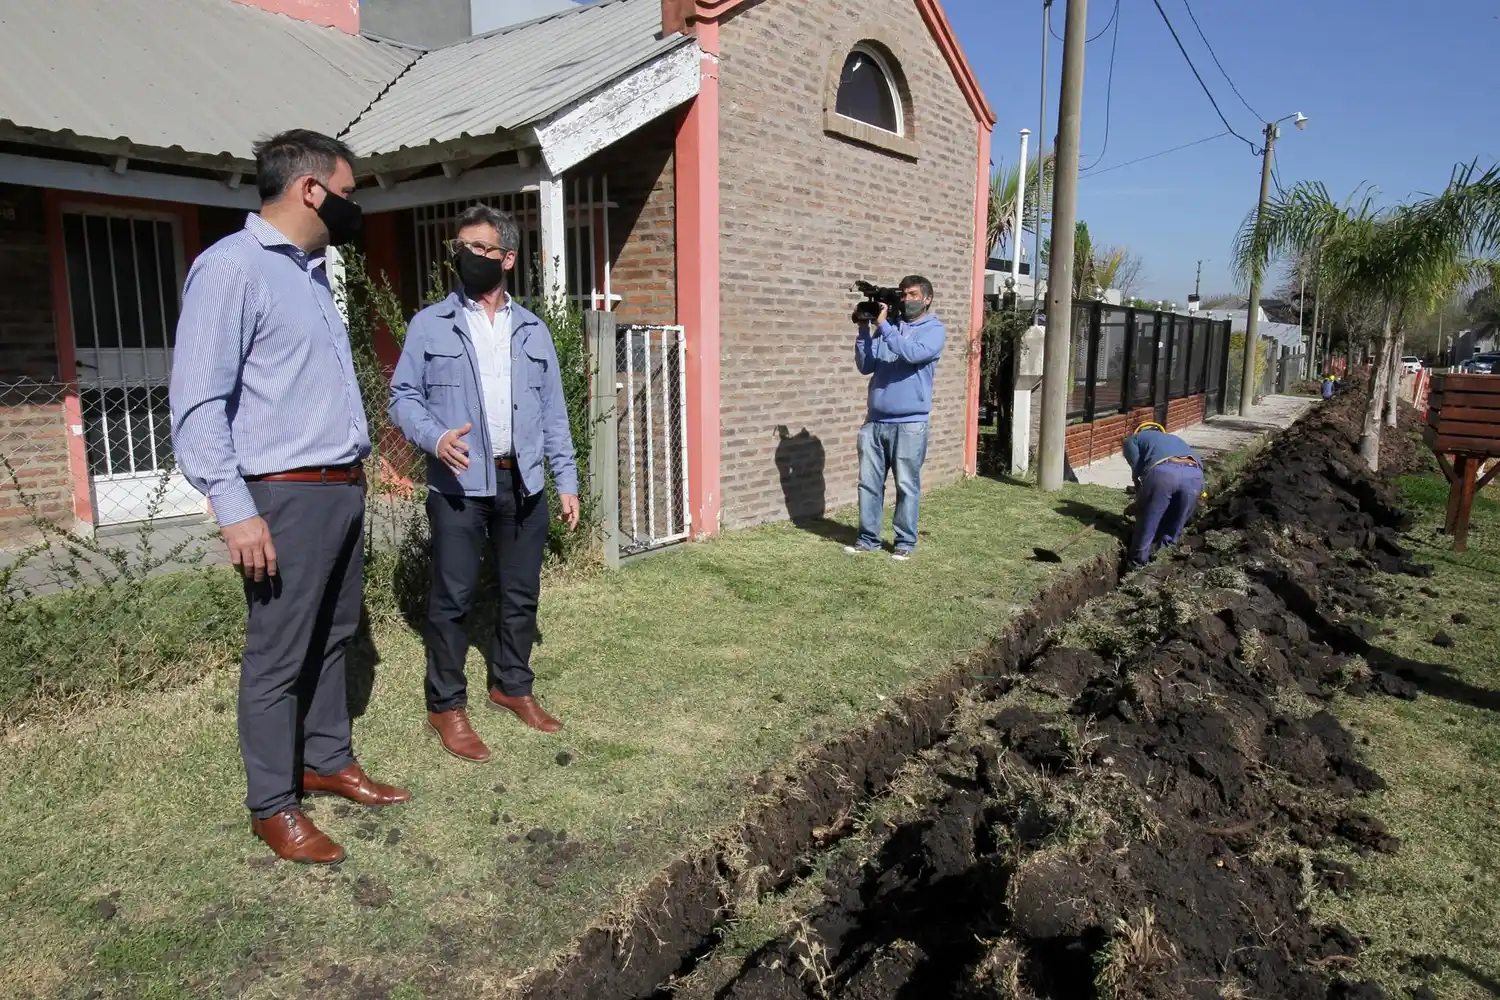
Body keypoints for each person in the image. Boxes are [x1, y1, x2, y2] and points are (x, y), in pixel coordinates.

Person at [170, 129, 409, 866]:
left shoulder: (309, 274)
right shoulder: (231, 269)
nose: (353, 207)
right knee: (278, 653)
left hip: (340, 487)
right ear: (311, 189)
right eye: (347, 192)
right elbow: (199, 403)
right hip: (283, 495)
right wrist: (235, 508)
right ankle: (273, 803)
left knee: (336, 634)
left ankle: (327, 759)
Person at [389, 204, 580, 764]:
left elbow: (554, 413)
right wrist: (434, 438)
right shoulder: (430, 324)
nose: (466, 256)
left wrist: (566, 479)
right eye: (461, 247)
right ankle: (447, 705)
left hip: (523, 482)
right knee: (453, 597)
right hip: (458, 485)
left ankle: (512, 685)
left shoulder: (534, 330)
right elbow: (402, 397)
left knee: (521, 593)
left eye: (479, 248)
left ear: (508, 258)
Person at [847, 276, 946, 560]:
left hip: (910, 424)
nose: (906, 299)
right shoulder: (888, 327)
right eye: (903, 294)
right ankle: (868, 539)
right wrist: (864, 329)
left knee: (906, 485)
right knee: (868, 484)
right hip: (875, 422)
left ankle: (904, 542)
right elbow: (866, 365)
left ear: (927, 299)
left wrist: (884, 326)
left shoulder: (934, 330)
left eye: (912, 294)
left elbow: (912, 354)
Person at [1121, 421, 1204, 566]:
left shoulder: (1132, 440)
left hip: (1164, 474)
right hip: (1194, 475)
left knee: (1148, 521)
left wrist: (1139, 504)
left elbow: (1138, 472)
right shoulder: (1174, 439)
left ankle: (1137, 563)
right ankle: (1161, 561)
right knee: (1175, 522)